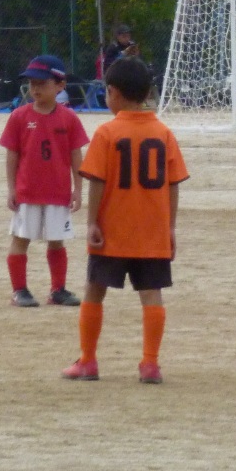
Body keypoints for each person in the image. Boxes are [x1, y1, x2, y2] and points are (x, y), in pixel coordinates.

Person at [61, 57, 189, 384]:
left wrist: (92, 223)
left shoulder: (107, 132)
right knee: (151, 293)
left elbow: (97, 180)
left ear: (113, 92)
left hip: (112, 230)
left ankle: (88, 361)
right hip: (152, 231)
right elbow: (173, 183)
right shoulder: (163, 133)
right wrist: (170, 228)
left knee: (94, 290)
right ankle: (150, 363)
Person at [0, 55, 90, 308]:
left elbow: (75, 155)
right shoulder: (19, 116)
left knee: (57, 240)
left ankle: (57, 289)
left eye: (42, 83)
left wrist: (78, 190)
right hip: (27, 192)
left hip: (58, 192)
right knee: (21, 238)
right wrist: (11, 188)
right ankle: (19, 290)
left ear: (60, 85)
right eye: (32, 83)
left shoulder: (69, 118)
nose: (35, 89)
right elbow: (12, 155)